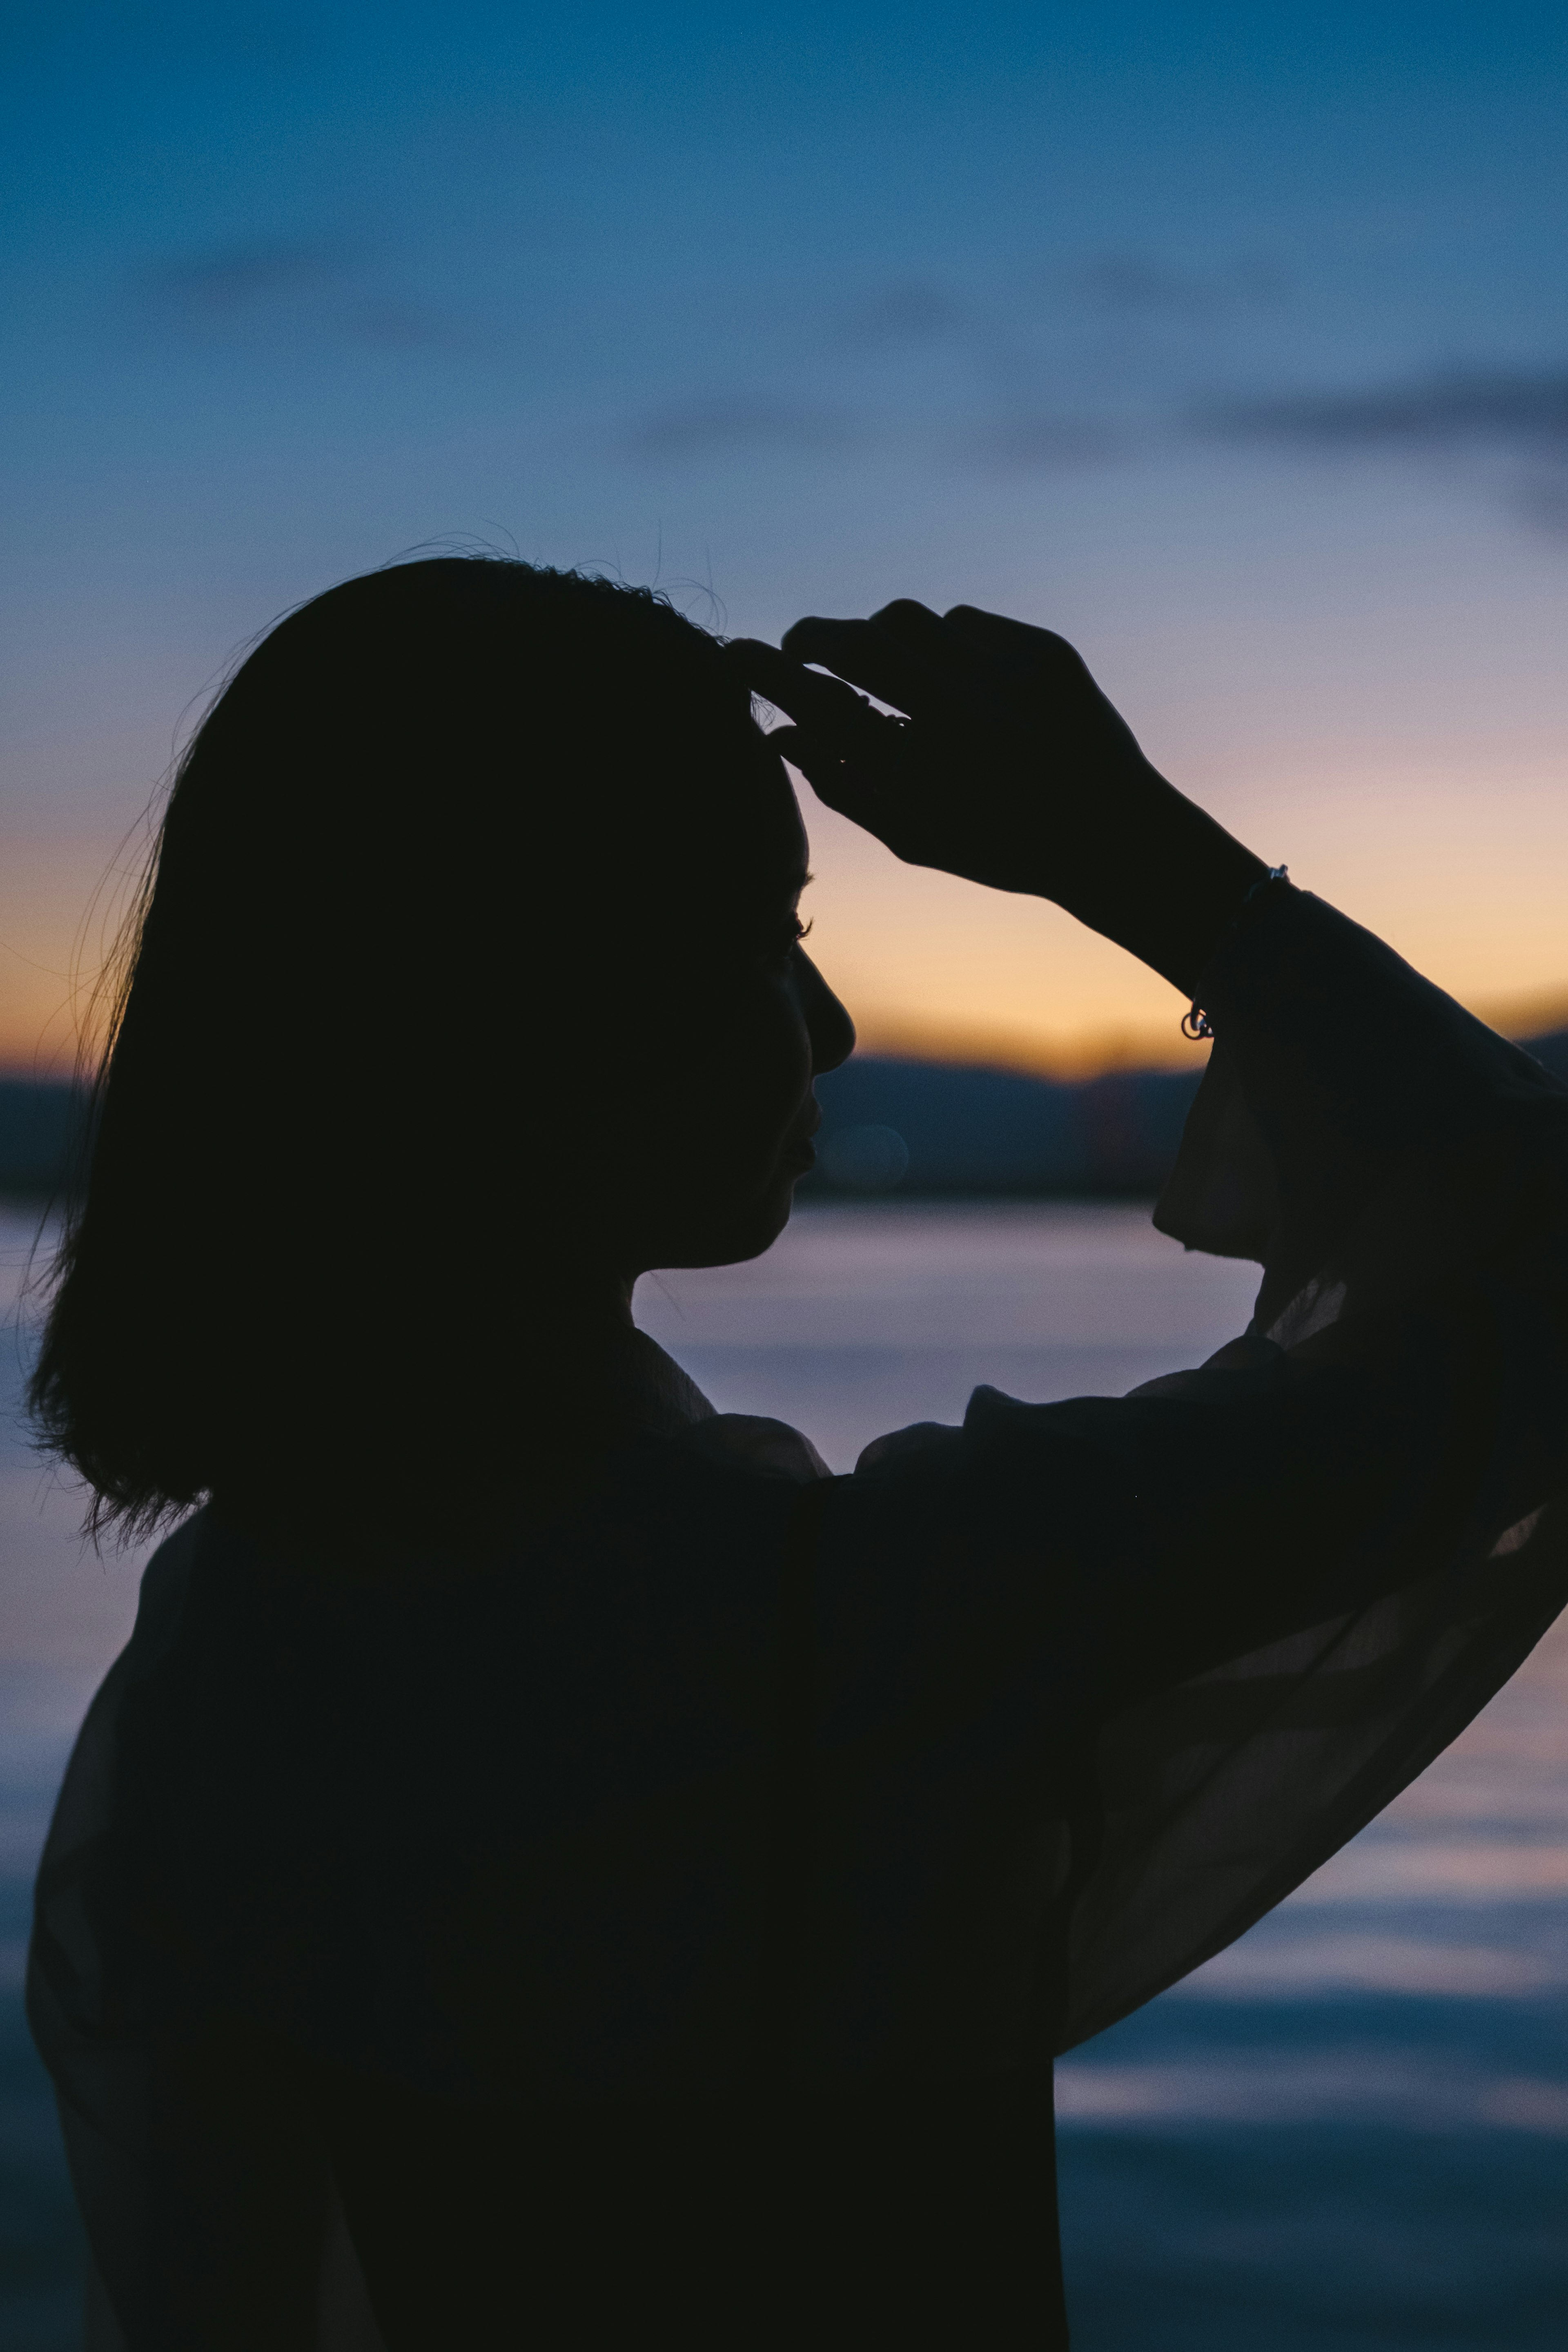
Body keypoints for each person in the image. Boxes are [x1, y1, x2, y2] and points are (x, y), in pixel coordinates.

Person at [26, 558, 1568, 2351]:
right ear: (549, 1007)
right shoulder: (873, 1637)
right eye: (771, 936)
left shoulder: (229, 1664)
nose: (828, 1030)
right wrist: (1147, 863)